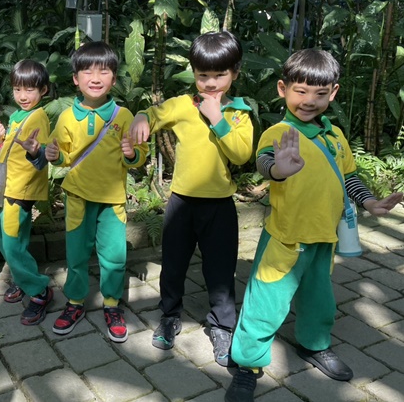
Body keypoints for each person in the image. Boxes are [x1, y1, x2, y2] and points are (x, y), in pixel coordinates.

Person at [225, 49, 403, 402]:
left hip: (324, 237)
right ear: (283, 89)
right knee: (266, 302)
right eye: (301, 91)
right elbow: (264, 162)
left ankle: (314, 344)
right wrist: (279, 169)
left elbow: (347, 176)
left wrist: (369, 202)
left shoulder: (335, 136)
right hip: (286, 238)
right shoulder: (279, 132)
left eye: (320, 93)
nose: (309, 100)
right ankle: (247, 363)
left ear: (333, 93)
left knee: (320, 299)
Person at [130, 31, 253, 365]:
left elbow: (242, 154)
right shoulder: (183, 105)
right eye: (203, 75)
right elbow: (154, 114)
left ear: (235, 73)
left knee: (221, 270)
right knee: (173, 264)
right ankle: (169, 315)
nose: (210, 83)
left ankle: (222, 326)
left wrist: (218, 120)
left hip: (220, 206)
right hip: (181, 203)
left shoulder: (239, 113)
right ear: (194, 73)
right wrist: (142, 117)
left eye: (219, 75)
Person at [22, 41, 148, 343]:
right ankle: (75, 302)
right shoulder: (67, 117)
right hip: (77, 197)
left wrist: (132, 154)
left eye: (103, 71)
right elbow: (62, 156)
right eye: (87, 72)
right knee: (76, 256)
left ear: (114, 79)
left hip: (112, 201)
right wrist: (52, 155)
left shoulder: (123, 116)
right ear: (75, 79)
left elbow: (139, 155)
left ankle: (112, 304)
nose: (95, 78)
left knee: (114, 257)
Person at [0, 59, 53, 325]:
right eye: (17, 89)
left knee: (12, 244)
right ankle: (22, 279)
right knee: (10, 241)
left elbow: (41, 157)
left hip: (19, 191)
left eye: (29, 89)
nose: (23, 96)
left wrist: (36, 151)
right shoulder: (17, 116)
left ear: (43, 90)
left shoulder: (38, 117)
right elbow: (3, 152)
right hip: (8, 188)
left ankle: (39, 291)